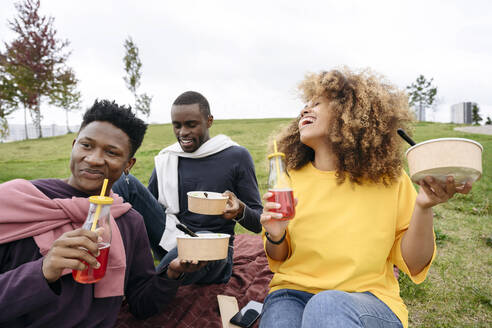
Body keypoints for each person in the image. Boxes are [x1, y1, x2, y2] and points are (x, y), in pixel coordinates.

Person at [259, 69, 473, 328]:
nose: (305, 110)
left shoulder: (389, 179)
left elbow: (415, 263)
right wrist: (276, 234)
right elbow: (278, 258)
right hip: (291, 293)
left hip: (368, 300)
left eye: (317, 103)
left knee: (326, 305)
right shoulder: (287, 180)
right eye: (304, 105)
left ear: (350, 113)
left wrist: (423, 206)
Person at [0, 100, 205, 327]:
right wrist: (42, 271)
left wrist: (171, 275)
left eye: (111, 152)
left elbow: (141, 304)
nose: (95, 159)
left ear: (129, 164)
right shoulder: (15, 202)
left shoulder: (129, 222)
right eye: (86, 145)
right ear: (73, 145)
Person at [113, 91, 263, 285]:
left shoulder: (236, 156)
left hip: (213, 250)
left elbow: (258, 223)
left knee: (198, 244)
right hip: (171, 237)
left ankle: (149, 285)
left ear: (209, 121)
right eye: (177, 125)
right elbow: (146, 212)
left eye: (191, 125)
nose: (182, 132)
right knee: (125, 181)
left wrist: (240, 210)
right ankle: (102, 255)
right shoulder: (169, 157)